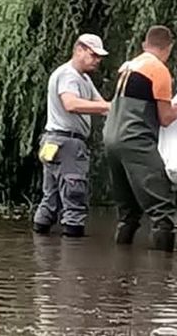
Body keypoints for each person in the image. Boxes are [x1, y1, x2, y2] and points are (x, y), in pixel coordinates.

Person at [103, 25, 177, 252]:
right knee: (162, 209)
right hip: (135, 140)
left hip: (111, 138)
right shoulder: (158, 70)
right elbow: (165, 118)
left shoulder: (128, 66)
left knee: (128, 213)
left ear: (145, 44)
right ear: (168, 48)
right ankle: (162, 278)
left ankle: (121, 267)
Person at [32, 34, 111, 238]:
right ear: (79, 50)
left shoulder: (83, 78)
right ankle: (72, 259)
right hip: (67, 143)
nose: (97, 60)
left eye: (99, 57)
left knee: (51, 197)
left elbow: (102, 106)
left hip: (53, 142)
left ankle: (40, 247)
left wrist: (118, 108)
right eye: (93, 55)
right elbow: (71, 104)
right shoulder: (69, 75)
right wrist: (109, 106)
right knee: (74, 198)